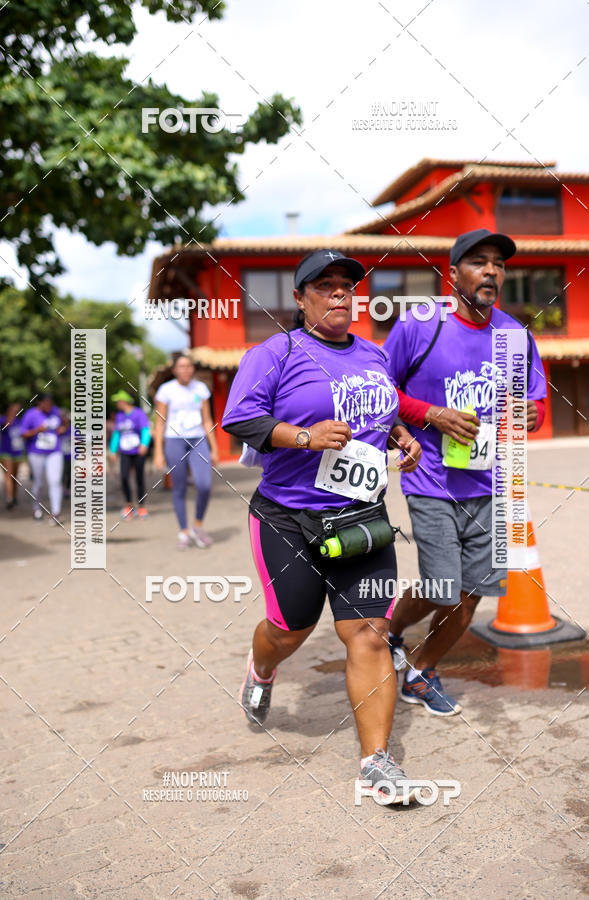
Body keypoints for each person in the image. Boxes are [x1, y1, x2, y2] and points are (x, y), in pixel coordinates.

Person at [223, 249, 424, 803]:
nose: (340, 293)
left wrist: (397, 438)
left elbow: (376, 418)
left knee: (367, 632)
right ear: (301, 297)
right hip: (288, 516)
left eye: (347, 285)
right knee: (290, 628)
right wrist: (304, 436)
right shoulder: (276, 352)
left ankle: (376, 763)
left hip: (361, 515)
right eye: (326, 285)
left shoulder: (374, 355)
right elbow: (239, 417)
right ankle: (262, 669)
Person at [383, 228, 548, 715]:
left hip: (490, 485)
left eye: (498, 263)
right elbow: (380, 392)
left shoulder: (516, 336)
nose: (491, 271)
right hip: (431, 480)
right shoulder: (419, 326)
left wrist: (530, 414)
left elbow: (534, 404)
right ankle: (392, 630)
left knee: (472, 596)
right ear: (452, 273)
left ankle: (421, 671)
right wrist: (431, 415)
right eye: (479, 261)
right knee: (443, 587)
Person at [153, 354, 219, 549]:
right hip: (174, 441)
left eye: (189, 366)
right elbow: (160, 422)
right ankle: (183, 532)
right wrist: (158, 452)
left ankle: (197, 526)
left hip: (198, 439)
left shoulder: (201, 389)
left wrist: (214, 448)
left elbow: (207, 419)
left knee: (204, 485)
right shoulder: (166, 390)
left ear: (193, 368)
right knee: (179, 487)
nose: (186, 369)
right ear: (174, 370)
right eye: (181, 366)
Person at [20, 394, 69, 524]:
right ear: (39, 403)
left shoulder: (56, 411)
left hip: (54, 452)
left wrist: (63, 428)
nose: (49, 406)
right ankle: (37, 509)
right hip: (36, 453)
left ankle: (56, 513)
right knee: (39, 483)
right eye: (46, 403)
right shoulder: (30, 414)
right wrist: (37, 430)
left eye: (51, 403)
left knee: (55, 481)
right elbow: (23, 433)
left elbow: (65, 423)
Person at [108, 391, 151, 519]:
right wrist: (112, 450)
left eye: (118, 401)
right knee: (124, 477)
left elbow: (145, 430)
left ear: (125, 401)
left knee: (139, 478)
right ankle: (128, 505)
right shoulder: (119, 416)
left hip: (138, 452)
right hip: (125, 452)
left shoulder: (139, 414)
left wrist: (144, 444)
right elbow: (116, 433)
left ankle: (141, 507)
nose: (117, 403)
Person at [0, 402, 26, 509]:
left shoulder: (19, 421)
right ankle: (9, 498)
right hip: (6, 452)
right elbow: (7, 424)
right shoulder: (3, 419)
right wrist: (12, 412)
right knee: (8, 475)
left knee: (15, 476)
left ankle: (14, 497)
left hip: (17, 452)